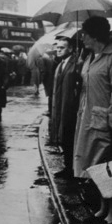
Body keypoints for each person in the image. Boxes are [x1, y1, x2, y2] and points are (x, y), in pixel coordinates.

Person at [73, 16, 112, 224]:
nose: (83, 37)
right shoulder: (90, 57)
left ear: (95, 35)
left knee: (109, 167)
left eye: (85, 33)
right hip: (88, 119)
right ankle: (103, 208)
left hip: (106, 122)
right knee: (96, 167)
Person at [50, 36, 81, 178]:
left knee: (70, 138)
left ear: (71, 49)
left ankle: (71, 168)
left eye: (62, 47)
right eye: (57, 47)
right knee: (64, 137)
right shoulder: (60, 64)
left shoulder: (76, 63)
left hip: (70, 107)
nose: (58, 50)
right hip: (60, 106)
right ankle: (67, 167)